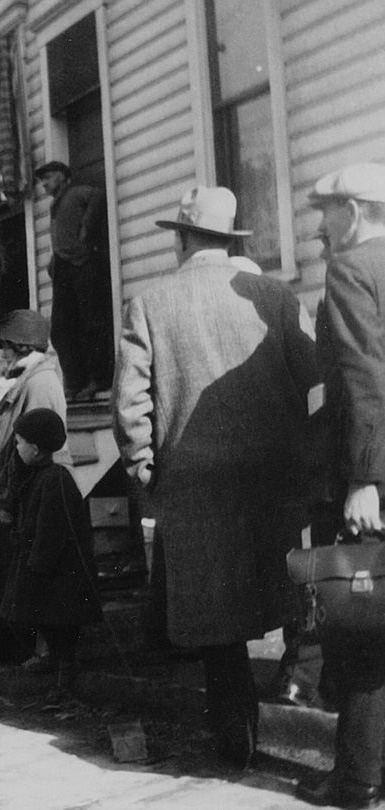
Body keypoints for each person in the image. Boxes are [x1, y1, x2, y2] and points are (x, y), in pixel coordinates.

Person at [113, 185, 318, 768]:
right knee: (287, 596)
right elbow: (316, 379)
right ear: (230, 241)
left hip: (195, 488)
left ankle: (237, 743)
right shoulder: (274, 297)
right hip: (273, 485)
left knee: (218, 627)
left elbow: (130, 405)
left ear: (180, 239)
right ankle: (299, 693)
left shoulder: (148, 303)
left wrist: (146, 470)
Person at [296, 163, 385, 810]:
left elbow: (363, 379)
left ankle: (358, 781)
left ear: (353, 212)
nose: (318, 223)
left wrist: (365, 479)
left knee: (359, 625)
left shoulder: (352, 268)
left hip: (372, 475)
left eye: (325, 209)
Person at [0, 309, 71, 636]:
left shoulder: (40, 382)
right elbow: (4, 433)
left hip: (30, 485)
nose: (3, 354)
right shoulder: (19, 379)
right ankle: (10, 638)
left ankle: (31, 645)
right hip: (11, 478)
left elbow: (40, 445)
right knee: (8, 572)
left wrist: (14, 499)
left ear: (26, 349)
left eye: (9, 347)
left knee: (30, 574)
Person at [0, 409, 101, 689]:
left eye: (19, 443)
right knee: (38, 614)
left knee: (61, 619)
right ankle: (57, 658)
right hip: (41, 562)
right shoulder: (37, 473)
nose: (16, 448)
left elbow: (51, 528)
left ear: (35, 448)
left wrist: (39, 562)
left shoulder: (56, 478)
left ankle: (66, 666)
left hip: (58, 567)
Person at [35, 160, 112, 401]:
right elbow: (62, 233)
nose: (44, 184)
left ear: (63, 176)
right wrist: (54, 257)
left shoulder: (78, 192)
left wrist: (87, 229)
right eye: (42, 180)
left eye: (48, 178)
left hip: (84, 264)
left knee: (91, 322)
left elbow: (99, 196)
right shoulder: (55, 204)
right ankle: (75, 382)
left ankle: (99, 379)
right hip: (64, 268)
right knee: (60, 328)